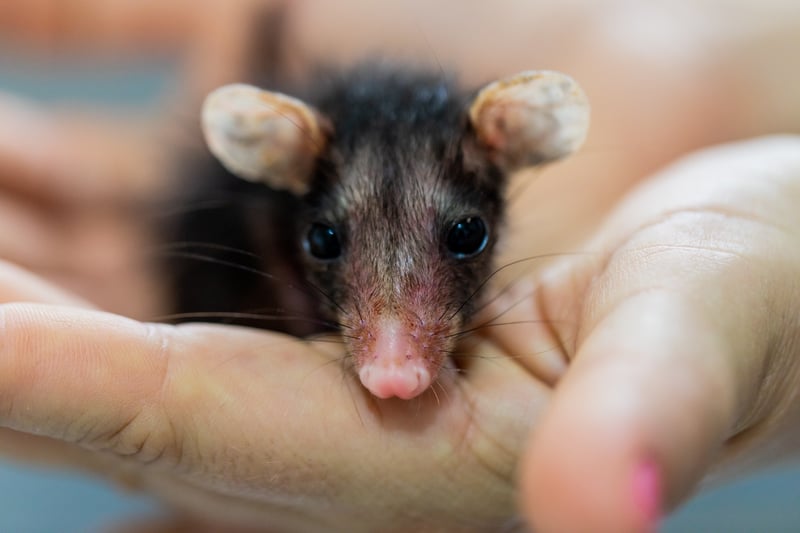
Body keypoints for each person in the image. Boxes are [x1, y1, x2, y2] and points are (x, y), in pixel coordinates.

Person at [0, 1, 799, 531]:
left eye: (461, 238)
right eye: (327, 242)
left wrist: (706, 67)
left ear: (513, 144)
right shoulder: (253, 202)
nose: (396, 362)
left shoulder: (474, 136)